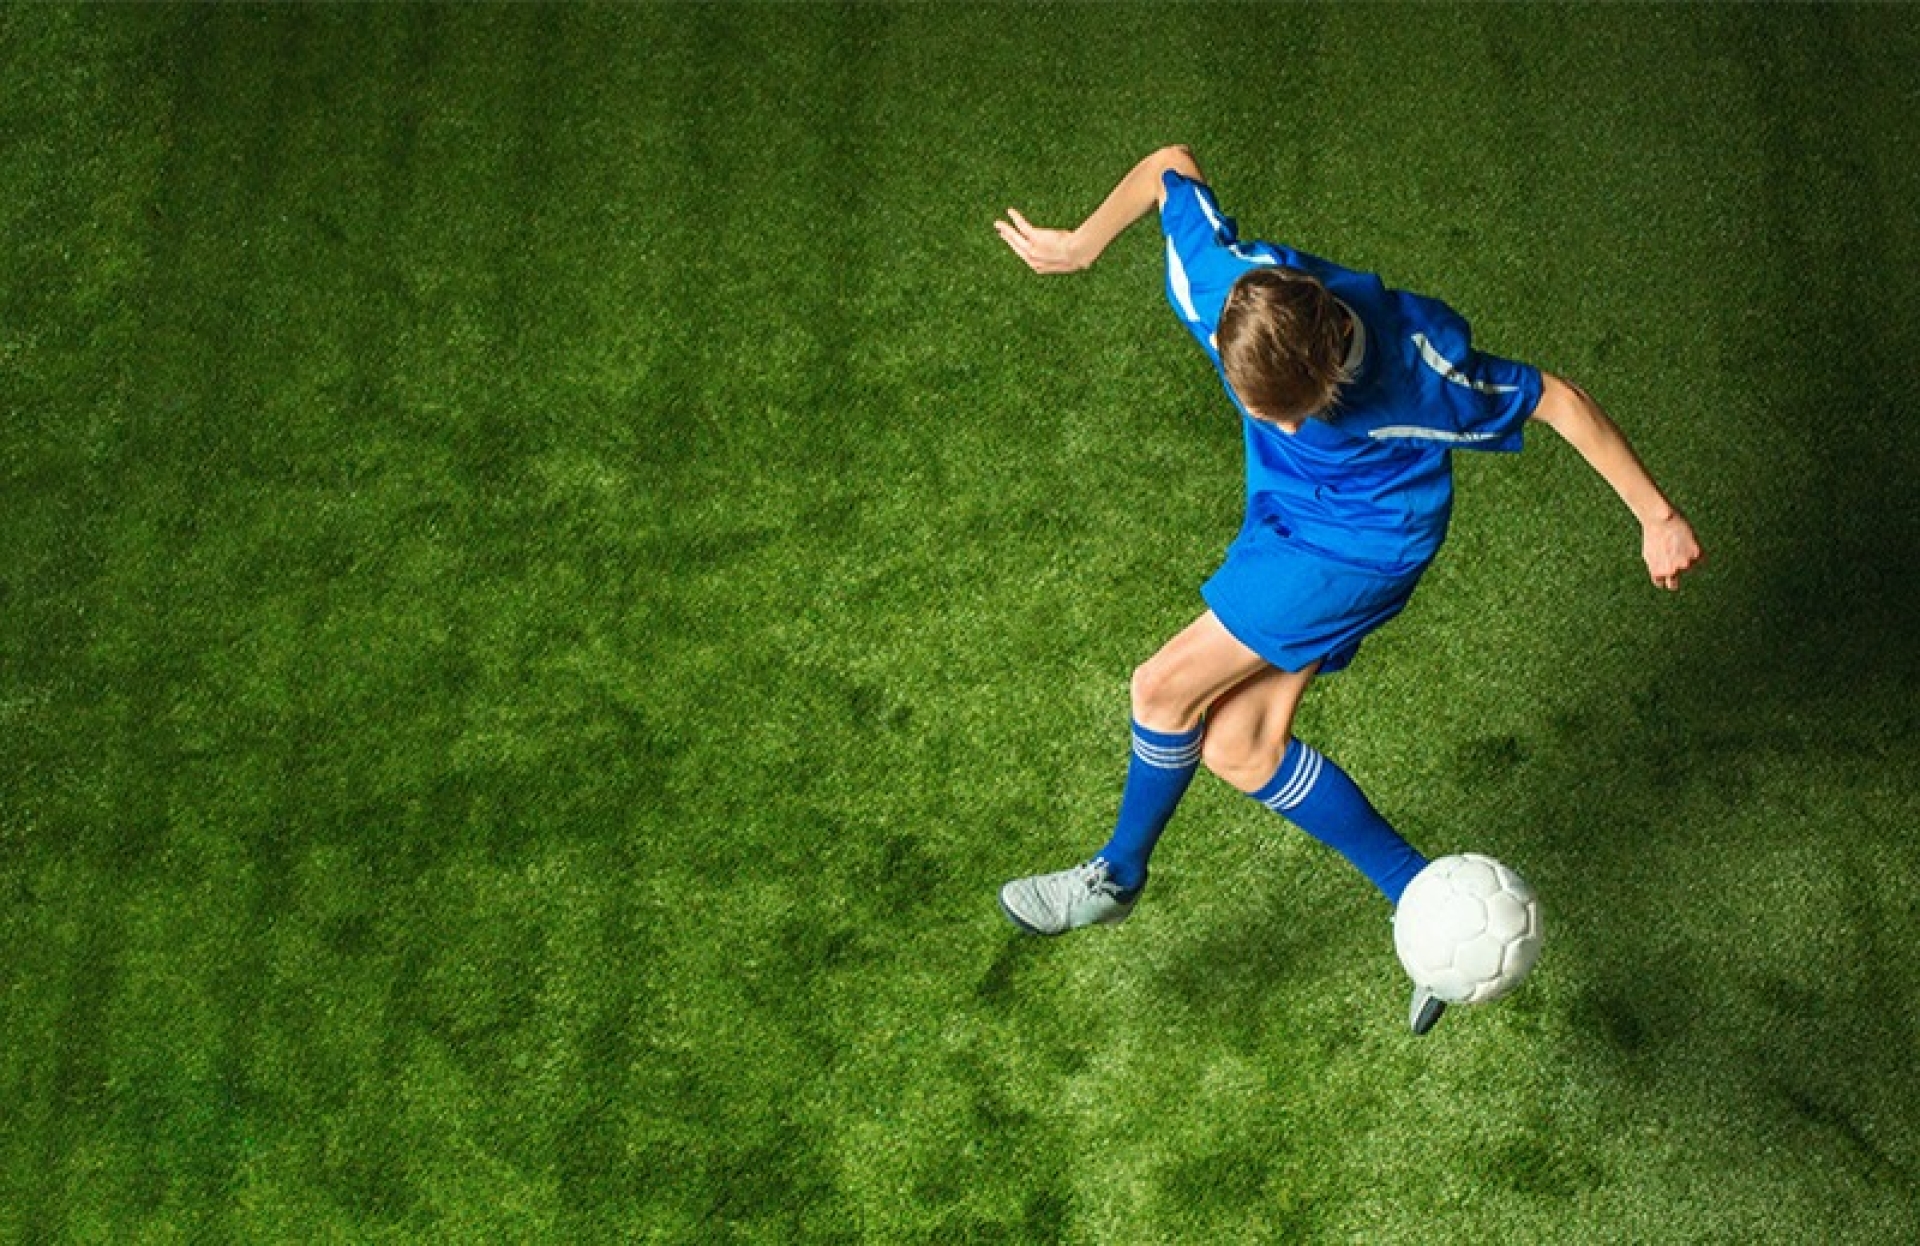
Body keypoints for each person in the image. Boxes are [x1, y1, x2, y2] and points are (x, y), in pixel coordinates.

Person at [993, 145, 1702, 1035]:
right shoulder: (1226, 288)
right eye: (1261, 409)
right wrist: (1082, 244)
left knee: (1161, 688)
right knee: (1241, 746)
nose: (1278, 424)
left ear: (1332, 371)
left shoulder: (1421, 373)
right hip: (1287, 510)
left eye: (1292, 412)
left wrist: (1656, 516)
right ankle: (1421, 902)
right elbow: (1171, 166)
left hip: (1366, 540)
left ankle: (1116, 876)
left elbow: (1557, 399)